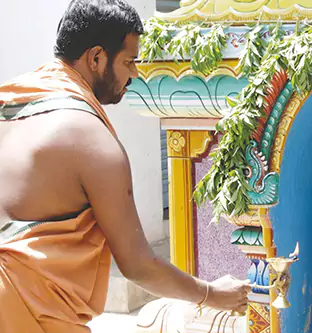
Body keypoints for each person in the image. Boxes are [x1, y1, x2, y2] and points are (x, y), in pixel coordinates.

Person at [0, 0, 250, 332]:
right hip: (25, 309)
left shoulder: (9, 103)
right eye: (129, 61)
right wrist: (212, 294)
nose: (134, 73)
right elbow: (138, 265)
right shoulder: (90, 140)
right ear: (96, 58)